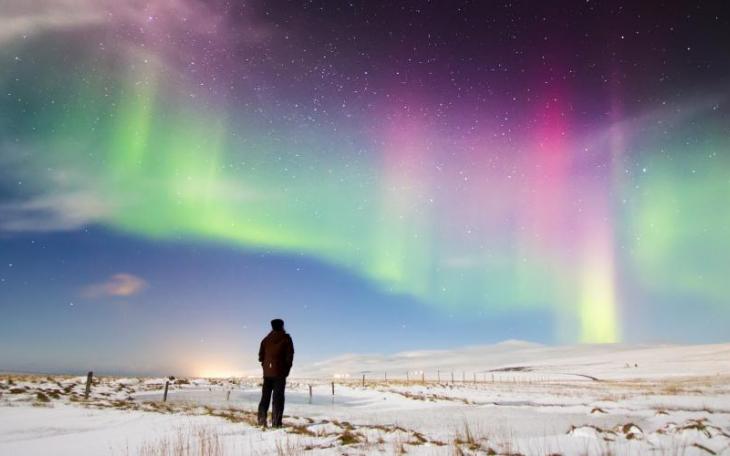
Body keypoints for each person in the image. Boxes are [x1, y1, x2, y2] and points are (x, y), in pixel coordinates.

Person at [257, 318, 294, 428]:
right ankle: (276, 423)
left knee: (265, 397)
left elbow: (260, 357)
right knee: (278, 399)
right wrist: (286, 370)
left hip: (267, 374)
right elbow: (290, 356)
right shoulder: (286, 338)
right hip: (280, 373)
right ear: (282, 326)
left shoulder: (265, 340)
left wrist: (265, 366)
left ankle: (261, 421)